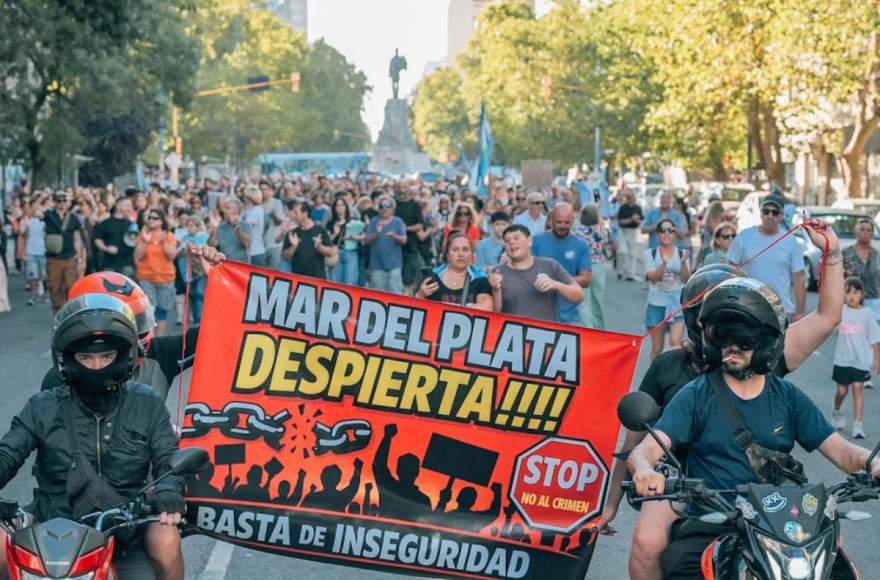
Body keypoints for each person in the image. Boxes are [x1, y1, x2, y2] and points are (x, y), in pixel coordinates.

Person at [599, 223, 845, 580]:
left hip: (767, 494)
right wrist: (615, 500)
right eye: (720, 327)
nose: (735, 341)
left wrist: (832, 249)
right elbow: (637, 442)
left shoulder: (768, 362)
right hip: (682, 482)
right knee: (648, 542)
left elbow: (828, 316)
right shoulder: (673, 368)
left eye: (744, 332)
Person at [627, 277, 879, 580]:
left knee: (837, 570)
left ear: (766, 342)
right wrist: (644, 470)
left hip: (780, 522)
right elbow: (647, 450)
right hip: (714, 519)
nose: (732, 347)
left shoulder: (788, 397)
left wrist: (873, 462)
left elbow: (842, 451)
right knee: (682, 569)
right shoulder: (696, 395)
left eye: (745, 339)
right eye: (723, 336)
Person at [0, 294, 187, 580]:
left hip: (124, 531)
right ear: (67, 360)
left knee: (166, 537)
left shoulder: (148, 403)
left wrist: (168, 491)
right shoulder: (43, 405)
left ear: (124, 357)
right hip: (51, 522)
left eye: (106, 356)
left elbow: (167, 459)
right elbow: (8, 452)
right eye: (86, 357)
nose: (97, 366)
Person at [40, 256, 224, 398]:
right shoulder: (58, 380)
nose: (135, 330)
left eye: (138, 319)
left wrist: (221, 281)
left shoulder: (159, 353)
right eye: (126, 321)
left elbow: (218, 332)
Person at [726, 193, 806, 321]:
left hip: (781, 309)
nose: (770, 216)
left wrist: (800, 312)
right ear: (760, 213)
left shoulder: (791, 241)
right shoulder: (743, 237)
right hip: (747, 307)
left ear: (782, 215)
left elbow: (799, 278)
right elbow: (731, 272)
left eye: (775, 212)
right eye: (766, 211)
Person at [488, 224, 584, 323]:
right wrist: (496, 290)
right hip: (513, 335)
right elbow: (494, 316)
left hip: (546, 334)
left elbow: (579, 295)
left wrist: (556, 285)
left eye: (516, 238)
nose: (511, 242)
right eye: (507, 240)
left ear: (529, 241)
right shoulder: (497, 273)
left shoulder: (550, 265)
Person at [832, 277, 880, 439]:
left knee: (858, 389)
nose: (852, 296)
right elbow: (827, 327)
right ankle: (837, 410)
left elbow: (874, 338)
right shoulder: (841, 312)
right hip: (842, 359)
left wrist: (877, 359)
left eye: (855, 292)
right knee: (841, 390)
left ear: (862, 294)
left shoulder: (867, 314)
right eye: (848, 292)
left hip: (860, 361)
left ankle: (858, 425)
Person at [532, 202, 592, 325]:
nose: (563, 226)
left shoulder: (581, 245)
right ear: (551, 219)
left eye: (567, 223)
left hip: (569, 316)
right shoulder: (536, 241)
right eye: (559, 222)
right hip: (539, 314)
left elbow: (586, 279)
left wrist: (556, 284)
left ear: (573, 221)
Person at [643, 218, 691, 360]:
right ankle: (654, 378)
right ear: (657, 234)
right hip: (656, 303)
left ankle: (671, 378)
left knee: (675, 345)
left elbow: (687, 279)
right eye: (663, 230)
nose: (667, 233)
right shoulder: (650, 253)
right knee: (657, 348)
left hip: (676, 303)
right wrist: (663, 264)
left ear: (674, 234)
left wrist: (682, 263)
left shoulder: (682, 253)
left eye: (671, 230)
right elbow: (653, 278)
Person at [415, 232, 493, 310]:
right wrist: (420, 295)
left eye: (465, 249)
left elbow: (486, 307)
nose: (461, 254)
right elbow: (418, 311)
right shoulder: (434, 277)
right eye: (455, 250)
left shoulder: (480, 277)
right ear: (447, 255)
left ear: (471, 255)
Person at [134, 208, 178, 337]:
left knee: (162, 310)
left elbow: (172, 256)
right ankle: (150, 339)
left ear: (162, 220)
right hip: (146, 276)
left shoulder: (169, 235)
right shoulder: (143, 235)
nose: (151, 220)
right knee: (149, 309)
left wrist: (164, 241)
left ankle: (159, 338)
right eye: (150, 218)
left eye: (155, 218)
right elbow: (137, 256)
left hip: (165, 277)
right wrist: (146, 240)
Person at [44, 192, 87, 314]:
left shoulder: (73, 218)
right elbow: (33, 212)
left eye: (64, 200)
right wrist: (42, 197)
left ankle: (71, 312)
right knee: (54, 287)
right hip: (53, 258)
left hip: (69, 256)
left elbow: (77, 239)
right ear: (54, 202)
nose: (62, 203)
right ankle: (58, 314)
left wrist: (79, 259)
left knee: (70, 286)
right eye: (59, 201)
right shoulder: (49, 215)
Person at [281, 201, 335, 280]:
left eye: (296, 213)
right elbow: (285, 256)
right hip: (298, 280)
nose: (293, 216)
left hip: (317, 279)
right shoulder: (292, 233)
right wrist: (294, 246)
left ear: (305, 214)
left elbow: (331, 252)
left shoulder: (320, 230)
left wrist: (319, 247)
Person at [364, 195, 407, 293]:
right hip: (377, 266)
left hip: (394, 265)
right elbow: (367, 241)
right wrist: (377, 232)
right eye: (381, 206)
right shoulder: (374, 221)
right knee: (378, 297)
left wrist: (394, 236)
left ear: (392, 208)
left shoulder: (398, 221)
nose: (385, 209)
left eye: (387, 205)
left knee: (395, 297)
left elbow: (404, 240)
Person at [575, 204, 607, 329]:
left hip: (583, 266)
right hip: (598, 265)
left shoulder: (577, 230)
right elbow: (602, 222)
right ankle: (600, 328)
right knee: (598, 300)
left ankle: (588, 328)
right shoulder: (599, 229)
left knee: (584, 303)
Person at [842, 218, 880, 317]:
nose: (865, 233)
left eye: (868, 230)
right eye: (862, 229)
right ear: (856, 231)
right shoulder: (846, 253)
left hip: (873, 301)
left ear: (872, 234)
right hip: (851, 301)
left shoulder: (877, 255)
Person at [327, 196, 365, 286]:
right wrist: (335, 233)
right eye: (337, 205)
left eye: (342, 205)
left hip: (351, 251)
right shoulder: (331, 223)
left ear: (346, 207)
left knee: (350, 281)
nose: (340, 208)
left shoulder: (353, 221)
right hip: (336, 251)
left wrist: (351, 237)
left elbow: (363, 236)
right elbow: (327, 241)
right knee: (335, 282)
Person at [394, 185, 425, 295]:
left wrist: (405, 228)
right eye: (400, 187)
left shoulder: (415, 205)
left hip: (410, 247)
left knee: (408, 279)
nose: (401, 190)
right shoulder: (392, 204)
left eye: (404, 187)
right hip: (393, 247)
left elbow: (419, 225)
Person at [94, 198, 136, 277]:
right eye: (127, 206)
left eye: (130, 206)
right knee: (110, 288)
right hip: (109, 263)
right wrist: (106, 248)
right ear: (118, 206)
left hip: (127, 263)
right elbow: (97, 240)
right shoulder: (106, 223)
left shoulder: (131, 224)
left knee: (126, 287)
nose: (129, 209)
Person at [208, 197, 252, 264]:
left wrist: (236, 227)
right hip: (225, 266)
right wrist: (215, 228)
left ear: (236, 211)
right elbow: (210, 245)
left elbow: (247, 244)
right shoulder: (221, 226)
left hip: (241, 265)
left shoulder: (245, 225)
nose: (224, 210)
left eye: (227, 208)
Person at [22, 201, 48, 305]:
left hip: (43, 251)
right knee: (32, 275)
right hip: (31, 251)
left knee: (44, 275)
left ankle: (45, 295)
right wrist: (27, 227)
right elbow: (24, 236)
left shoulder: (43, 221)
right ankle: (33, 296)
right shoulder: (27, 221)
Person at [616, 189, 642, 281]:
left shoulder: (638, 208)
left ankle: (630, 273)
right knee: (622, 251)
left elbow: (640, 222)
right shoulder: (623, 208)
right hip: (623, 230)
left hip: (633, 231)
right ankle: (620, 270)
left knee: (632, 253)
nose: (633, 200)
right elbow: (621, 222)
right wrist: (631, 219)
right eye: (631, 198)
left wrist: (637, 220)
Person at [261, 182, 286, 269]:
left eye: (265, 189)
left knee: (273, 271)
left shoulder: (276, 203)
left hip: (274, 244)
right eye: (261, 189)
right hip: (261, 245)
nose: (263, 192)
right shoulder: (257, 205)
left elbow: (279, 221)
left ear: (270, 191)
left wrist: (273, 215)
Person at [241, 185, 267, 267]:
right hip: (247, 251)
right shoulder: (246, 210)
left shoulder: (257, 210)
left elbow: (246, 224)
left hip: (256, 251)